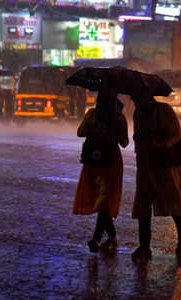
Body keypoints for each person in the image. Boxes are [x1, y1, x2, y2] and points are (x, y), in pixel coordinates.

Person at [130, 90, 181, 262]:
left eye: (136, 97)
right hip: (145, 165)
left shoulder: (164, 110)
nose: (135, 101)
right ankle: (144, 247)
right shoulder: (138, 112)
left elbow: (176, 134)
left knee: (174, 202)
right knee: (143, 205)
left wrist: (161, 143)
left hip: (164, 164)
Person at [73, 86, 129, 253]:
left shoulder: (92, 114)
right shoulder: (118, 118)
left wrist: (94, 129)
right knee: (103, 201)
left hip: (92, 161)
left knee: (101, 201)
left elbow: (80, 132)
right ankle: (109, 237)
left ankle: (99, 238)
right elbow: (125, 142)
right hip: (110, 162)